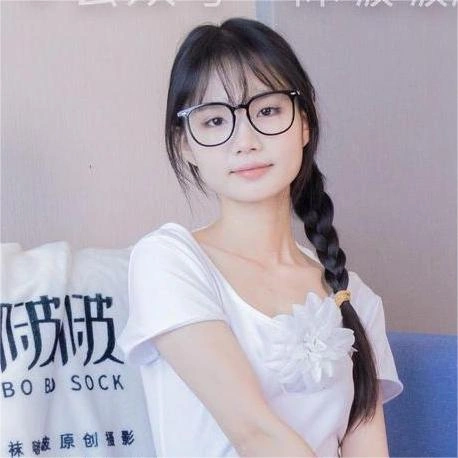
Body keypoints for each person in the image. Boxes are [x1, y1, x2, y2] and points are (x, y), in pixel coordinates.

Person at [117, 17, 404, 457]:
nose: (245, 140)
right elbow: (254, 433)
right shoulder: (169, 260)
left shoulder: (356, 297)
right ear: (185, 145)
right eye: (215, 120)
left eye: (267, 111)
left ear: (304, 123)